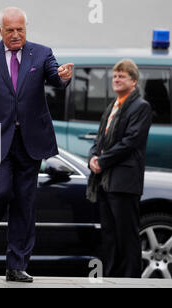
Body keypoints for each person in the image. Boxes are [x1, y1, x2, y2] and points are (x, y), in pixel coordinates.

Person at [0, 7, 73, 282]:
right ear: (0, 31)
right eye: (10, 30)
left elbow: (55, 78)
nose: (16, 35)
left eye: (20, 30)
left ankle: (16, 265)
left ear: (26, 28)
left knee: (25, 203)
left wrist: (63, 76)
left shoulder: (42, 52)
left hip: (30, 142)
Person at [86, 59, 152, 278]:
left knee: (126, 235)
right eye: (115, 76)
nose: (116, 79)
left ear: (133, 81)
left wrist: (102, 161)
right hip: (106, 180)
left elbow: (130, 141)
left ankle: (131, 278)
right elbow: (99, 138)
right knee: (110, 235)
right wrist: (92, 158)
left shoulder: (140, 106)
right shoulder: (113, 105)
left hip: (124, 181)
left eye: (122, 76)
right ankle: (112, 277)